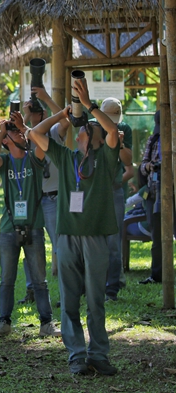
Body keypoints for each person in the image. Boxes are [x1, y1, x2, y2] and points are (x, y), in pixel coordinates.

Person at [28, 79, 120, 376]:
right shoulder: (66, 158)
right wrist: (62, 115)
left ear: (92, 138)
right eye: (82, 128)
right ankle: (77, 356)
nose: (82, 130)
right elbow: (34, 134)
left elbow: (113, 132)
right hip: (67, 236)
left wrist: (91, 105)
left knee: (95, 300)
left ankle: (99, 355)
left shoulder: (105, 158)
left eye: (87, 128)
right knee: (69, 300)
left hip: (95, 237)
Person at [0, 111, 61, 338]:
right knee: (6, 280)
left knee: (40, 280)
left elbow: (40, 140)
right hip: (9, 229)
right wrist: (1, 134)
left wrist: (24, 126)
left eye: (20, 133)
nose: (20, 134)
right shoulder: (5, 161)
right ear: (8, 142)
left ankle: (46, 323)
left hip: (34, 227)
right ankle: (4, 322)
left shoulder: (34, 159)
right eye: (14, 133)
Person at [16, 87, 69, 304]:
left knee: (61, 247)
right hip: (33, 199)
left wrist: (46, 99)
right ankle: (32, 291)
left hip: (54, 197)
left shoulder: (54, 133)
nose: (32, 115)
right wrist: (26, 115)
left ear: (44, 114)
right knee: (30, 244)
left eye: (36, 111)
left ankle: (68, 293)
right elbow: (17, 133)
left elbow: (66, 119)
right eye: (30, 112)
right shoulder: (25, 135)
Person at [97, 98, 133, 301]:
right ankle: (95, 282)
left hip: (113, 191)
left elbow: (129, 161)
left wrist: (118, 143)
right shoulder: (93, 127)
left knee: (113, 240)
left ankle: (113, 286)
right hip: (95, 191)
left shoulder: (124, 129)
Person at [138, 110, 175, 284]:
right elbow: (142, 165)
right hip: (154, 194)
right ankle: (157, 275)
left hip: (172, 195)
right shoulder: (153, 140)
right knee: (157, 237)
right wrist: (150, 167)